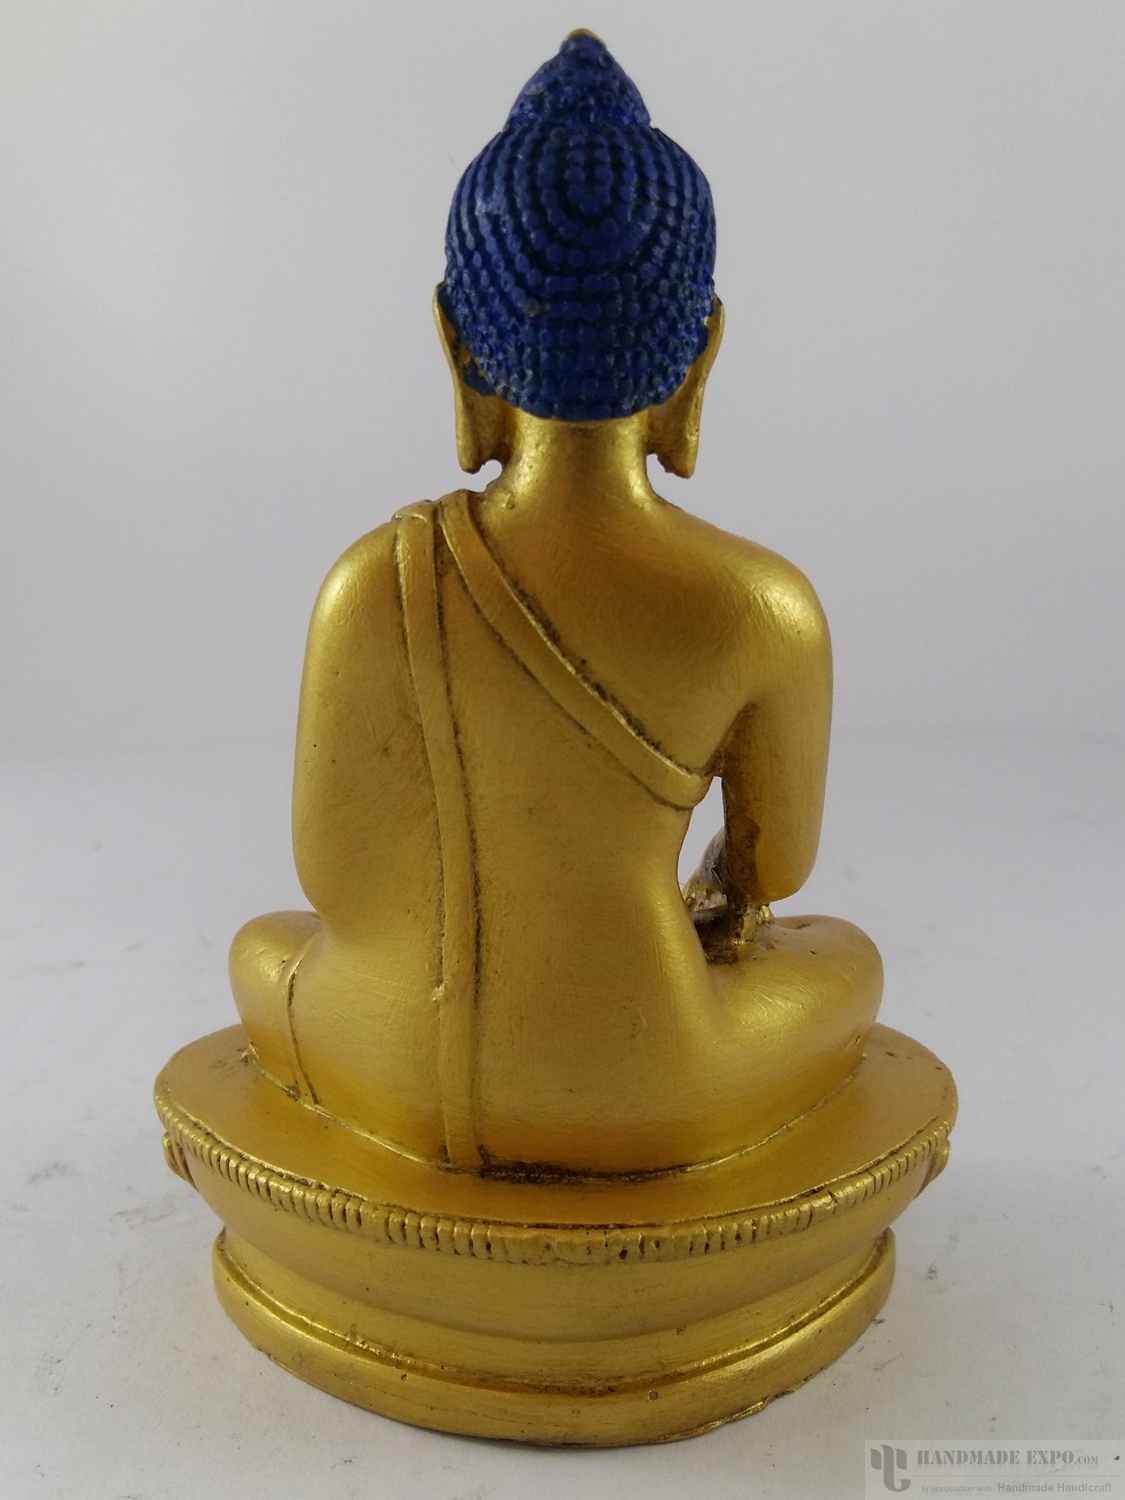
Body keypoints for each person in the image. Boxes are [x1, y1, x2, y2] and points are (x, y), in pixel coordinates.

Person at [230, 33, 882, 1176]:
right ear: (701, 353)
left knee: (262, 949)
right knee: (845, 964)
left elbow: (329, 877)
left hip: (394, 1055)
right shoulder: (762, 608)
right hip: (648, 1075)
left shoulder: (370, 583)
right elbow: (771, 877)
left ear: (457, 347)